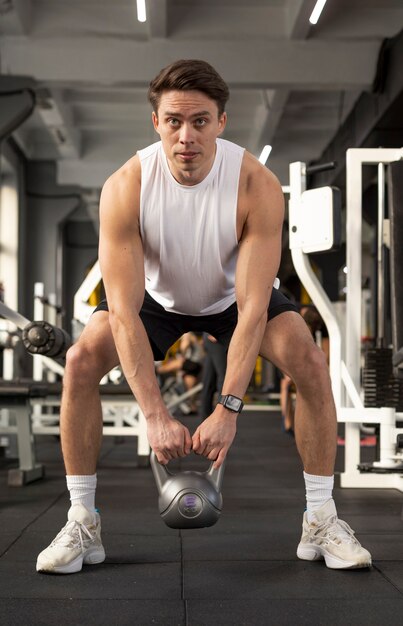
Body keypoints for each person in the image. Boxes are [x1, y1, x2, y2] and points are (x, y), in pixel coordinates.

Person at [36, 59, 371, 574]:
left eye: (199, 121)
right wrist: (153, 416)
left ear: (221, 122)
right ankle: (83, 520)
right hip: (155, 299)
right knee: (80, 359)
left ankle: (321, 520)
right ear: (156, 122)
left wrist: (229, 408)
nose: (186, 135)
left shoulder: (254, 183)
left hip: (232, 299)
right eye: (174, 120)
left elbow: (255, 305)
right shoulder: (126, 186)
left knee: (310, 360)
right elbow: (123, 312)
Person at [279, 305, 329, 436]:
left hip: (306, 361)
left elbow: (326, 353)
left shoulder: (321, 326)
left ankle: (309, 423)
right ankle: (287, 422)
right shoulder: (293, 325)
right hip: (288, 356)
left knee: (309, 384)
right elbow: (285, 352)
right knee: (286, 383)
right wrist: (289, 373)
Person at [199, 333, 227, 419]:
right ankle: (222, 419)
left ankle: (205, 420)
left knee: (209, 380)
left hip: (213, 336)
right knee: (224, 380)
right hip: (218, 336)